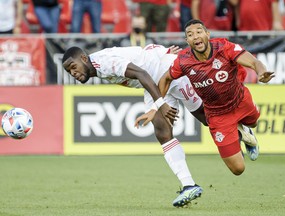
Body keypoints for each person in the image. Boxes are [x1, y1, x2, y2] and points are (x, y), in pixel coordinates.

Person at [62, 44, 208, 207]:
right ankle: (189, 185)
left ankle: (241, 130)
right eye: (69, 72)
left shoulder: (104, 62)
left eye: (73, 67)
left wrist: (160, 103)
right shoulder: (97, 65)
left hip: (167, 73)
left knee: (207, 119)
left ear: (83, 58)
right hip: (154, 81)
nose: (73, 73)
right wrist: (161, 52)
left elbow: (141, 73)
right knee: (163, 133)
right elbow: (136, 54)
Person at [152, 19, 275, 176]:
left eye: (199, 32)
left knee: (254, 123)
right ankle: (239, 134)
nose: (195, 36)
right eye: (190, 34)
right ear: (187, 40)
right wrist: (157, 105)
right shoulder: (183, 60)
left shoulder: (224, 48)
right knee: (238, 169)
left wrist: (261, 73)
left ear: (207, 34)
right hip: (217, 115)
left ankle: (247, 132)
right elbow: (165, 78)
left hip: (240, 101)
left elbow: (253, 62)